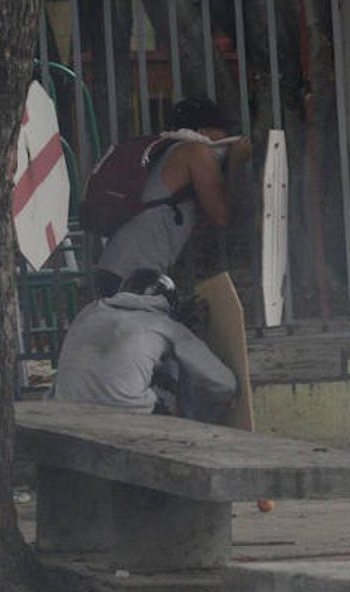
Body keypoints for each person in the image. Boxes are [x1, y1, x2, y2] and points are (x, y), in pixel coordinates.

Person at [93, 97, 241, 297]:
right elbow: (221, 215)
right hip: (134, 274)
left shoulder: (171, 151)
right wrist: (236, 160)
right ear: (204, 132)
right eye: (224, 132)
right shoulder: (195, 151)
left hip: (118, 265)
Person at [51, 268, 238, 419]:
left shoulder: (88, 312)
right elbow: (223, 383)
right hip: (127, 419)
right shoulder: (165, 326)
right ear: (168, 304)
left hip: (65, 411)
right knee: (174, 378)